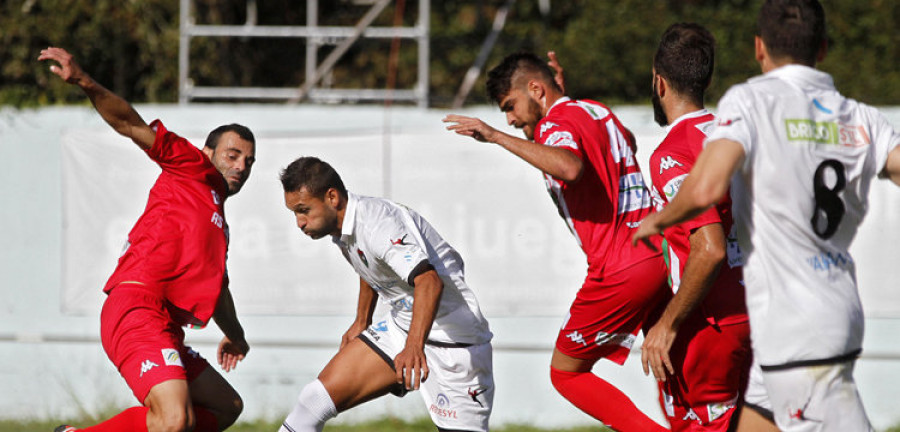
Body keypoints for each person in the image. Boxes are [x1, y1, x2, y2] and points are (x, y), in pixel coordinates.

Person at [632, 1, 900, 430]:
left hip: (788, 319)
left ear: (759, 48)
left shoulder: (750, 105)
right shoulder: (857, 116)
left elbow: (705, 193)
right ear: (824, 48)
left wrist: (660, 220)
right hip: (804, 312)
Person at [444, 52, 668, 432]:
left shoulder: (555, 125)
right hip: (661, 253)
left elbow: (570, 166)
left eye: (510, 107)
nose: (511, 121)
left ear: (536, 89)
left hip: (621, 268)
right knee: (671, 363)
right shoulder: (594, 110)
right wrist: (567, 99)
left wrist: (496, 137)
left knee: (567, 374)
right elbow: (624, 141)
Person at [40, 47, 254, 432]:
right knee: (174, 419)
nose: (241, 166)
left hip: (166, 324)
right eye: (233, 154)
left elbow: (219, 289)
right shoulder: (190, 165)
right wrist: (85, 81)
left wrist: (235, 335)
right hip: (137, 307)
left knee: (225, 407)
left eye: (249, 162)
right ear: (209, 152)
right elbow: (129, 123)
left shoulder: (219, 221)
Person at [278, 156, 494, 432]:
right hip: (403, 327)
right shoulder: (344, 228)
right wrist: (361, 320)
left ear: (332, 197)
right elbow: (371, 265)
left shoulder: (377, 223)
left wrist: (414, 347)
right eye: (295, 213)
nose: (299, 222)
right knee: (313, 401)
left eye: (303, 210)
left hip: (455, 342)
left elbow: (429, 282)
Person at [642, 23, 753, 431]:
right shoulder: (738, 133)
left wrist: (666, 324)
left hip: (713, 323)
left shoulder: (674, 153)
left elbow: (710, 248)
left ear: (659, 82)